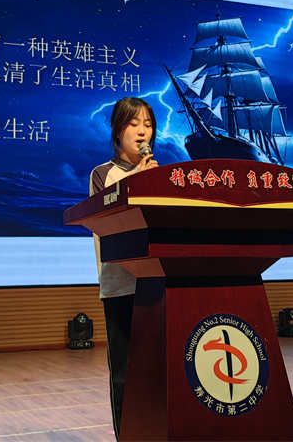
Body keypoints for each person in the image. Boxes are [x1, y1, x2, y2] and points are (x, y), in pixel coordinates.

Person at [89, 97, 159, 440]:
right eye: (134, 124)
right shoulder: (103, 174)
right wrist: (138, 183)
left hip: (156, 283)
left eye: (148, 124)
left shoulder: (158, 173)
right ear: (118, 131)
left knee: (158, 369)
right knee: (125, 373)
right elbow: (108, 221)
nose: (142, 131)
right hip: (120, 285)